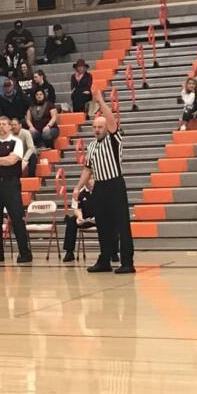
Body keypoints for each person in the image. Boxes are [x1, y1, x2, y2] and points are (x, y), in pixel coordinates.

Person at [77, 89, 134, 274]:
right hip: (99, 186)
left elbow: (112, 122)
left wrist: (100, 100)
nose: (97, 129)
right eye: (94, 127)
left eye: (100, 127)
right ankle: (105, 260)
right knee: (103, 225)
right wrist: (77, 188)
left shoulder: (114, 139)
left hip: (115, 184)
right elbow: (87, 169)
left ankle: (127, 262)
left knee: (122, 225)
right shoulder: (92, 146)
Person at [0, 115, 32, 264]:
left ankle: (24, 253)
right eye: (0, 124)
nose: (2, 126)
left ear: (10, 127)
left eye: (5, 124)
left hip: (11, 184)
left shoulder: (15, 142)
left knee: (17, 219)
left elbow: (12, 160)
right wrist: (2, 160)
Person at [62, 183, 95, 263]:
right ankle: (69, 252)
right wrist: (79, 217)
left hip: (100, 218)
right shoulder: (78, 191)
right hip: (85, 218)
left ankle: (113, 252)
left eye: (92, 178)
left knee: (110, 221)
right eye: (88, 179)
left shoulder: (101, 190)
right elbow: (76, 209)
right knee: (71, 221)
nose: (90, 181)